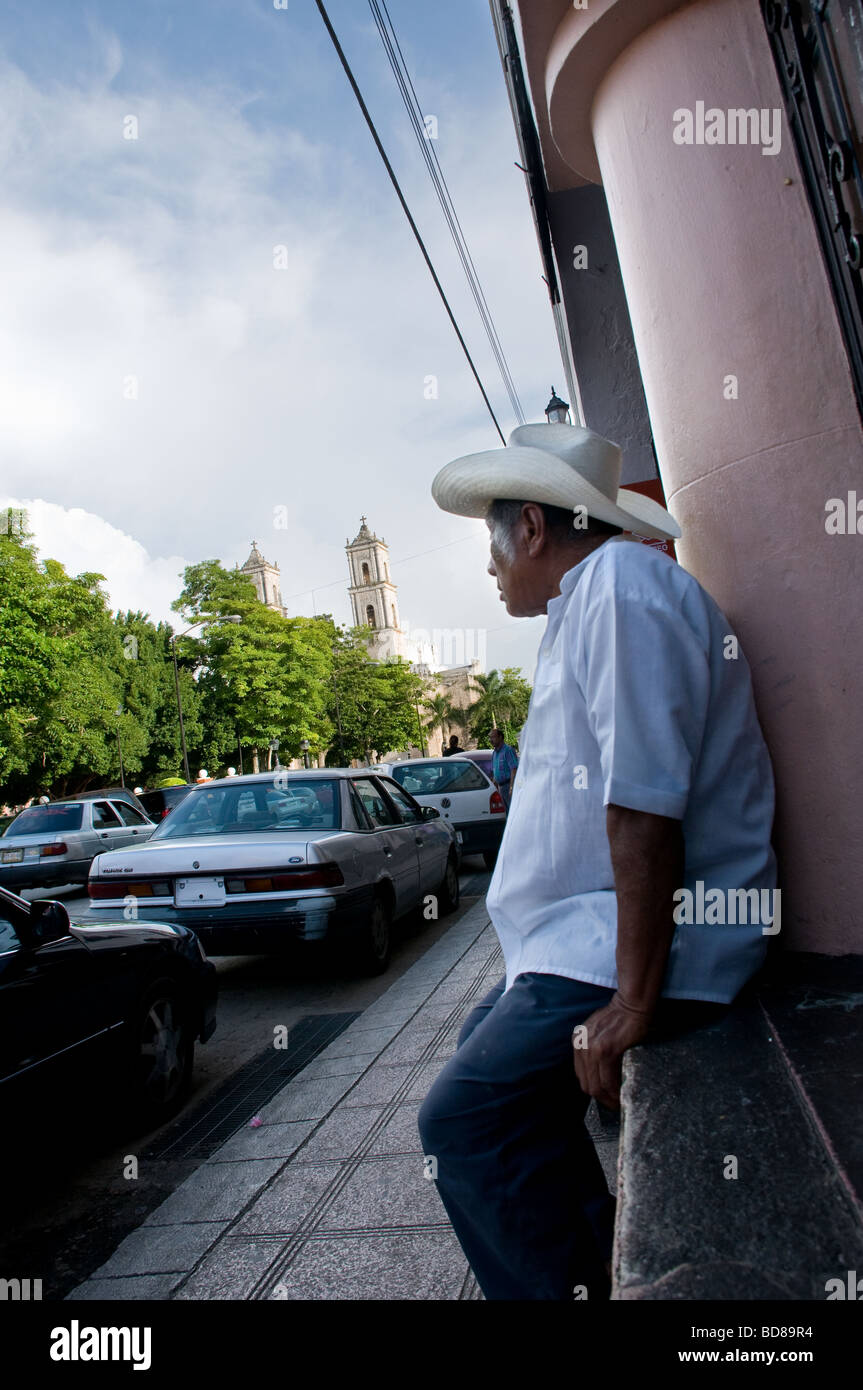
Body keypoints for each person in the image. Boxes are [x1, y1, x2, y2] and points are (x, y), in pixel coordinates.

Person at [418, 421, 776, 1301]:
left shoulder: (620, 588)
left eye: (493, 545)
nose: (491, 568)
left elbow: (643, 807)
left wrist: (630, 999)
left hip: (650, 941)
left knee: (463, 1120)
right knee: (482, 1057)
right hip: (581, 937)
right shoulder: (592, 599)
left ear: (532, 528)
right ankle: (592, 1271)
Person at [489, 727, 518, 810]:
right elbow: (495, 773)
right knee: (507, 814)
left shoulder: (508, 750)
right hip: (501, 788)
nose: (491, 740)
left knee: (513, 812)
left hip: (508, 786)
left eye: (493, 737)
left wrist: (511, 788)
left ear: (500, 737)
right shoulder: (494, 753)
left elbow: (514, 769)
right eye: (490, 737)